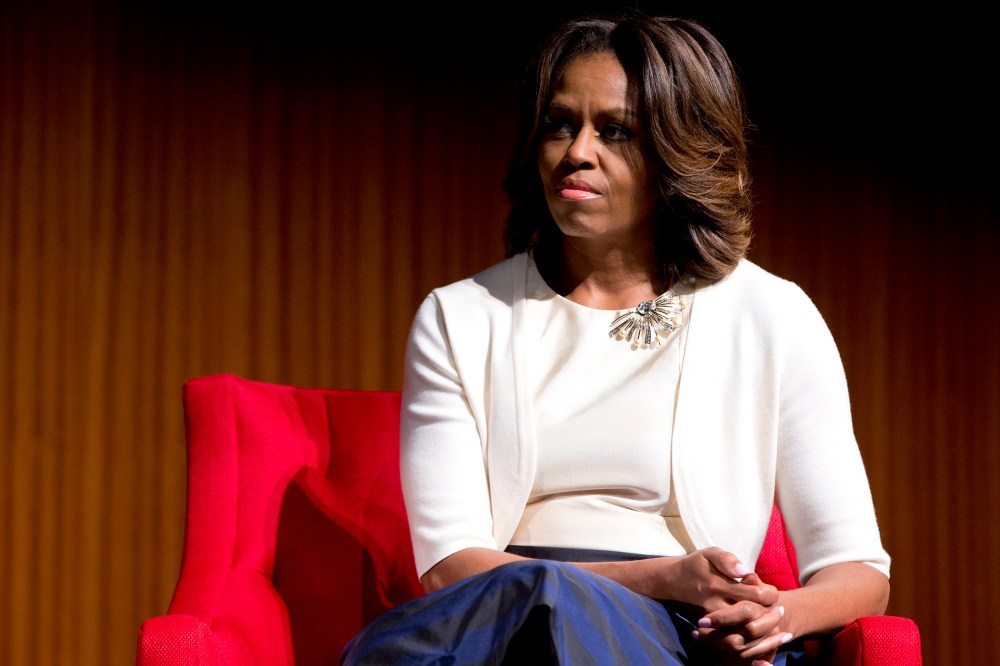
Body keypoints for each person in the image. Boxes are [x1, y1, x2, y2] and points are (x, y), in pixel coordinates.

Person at [341, 10, 891, 666]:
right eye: (558, 124)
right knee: (533, 601)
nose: (577, 151)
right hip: (493, 616)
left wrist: (775, 616)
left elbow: (858, 569)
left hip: (681, 631)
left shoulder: (772, 315)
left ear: (675, 153)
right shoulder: (460, 316)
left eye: (615, 131)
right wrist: (661, 574)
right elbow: (450, 569)